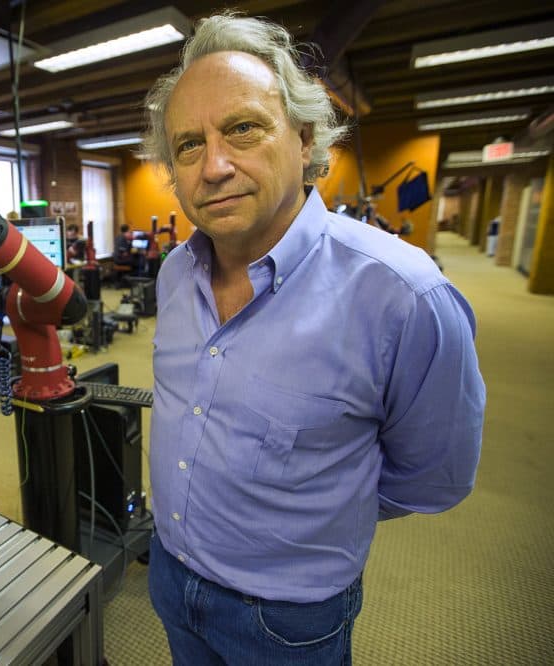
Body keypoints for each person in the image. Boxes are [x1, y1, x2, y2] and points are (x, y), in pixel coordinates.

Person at [142, 12, 485, 665]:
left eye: (242, 129)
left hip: (285, 619)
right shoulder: (174, 274)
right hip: (169, 572)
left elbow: (433, 477)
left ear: (304, 139)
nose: (212, 165)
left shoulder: (405, 298)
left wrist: (322, 507)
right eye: (188, 144)